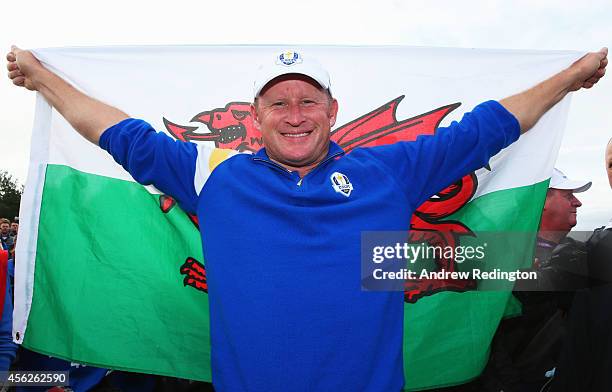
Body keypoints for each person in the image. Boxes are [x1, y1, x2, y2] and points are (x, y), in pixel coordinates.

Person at [6, 46, 608, 391]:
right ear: (258, 116)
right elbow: (114, 131)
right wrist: (43, 78)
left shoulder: (387, 172)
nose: (295, 114)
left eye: (308, 100)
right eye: (279, 103)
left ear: (331, 109)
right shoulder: (213, 174)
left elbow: (488, 127)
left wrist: (569, 79)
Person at [480, 169, 592, 392]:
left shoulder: (585, 255)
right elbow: (489, 337)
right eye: (568, 196)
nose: (578, 202)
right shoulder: (498, 261)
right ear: (541, 200)